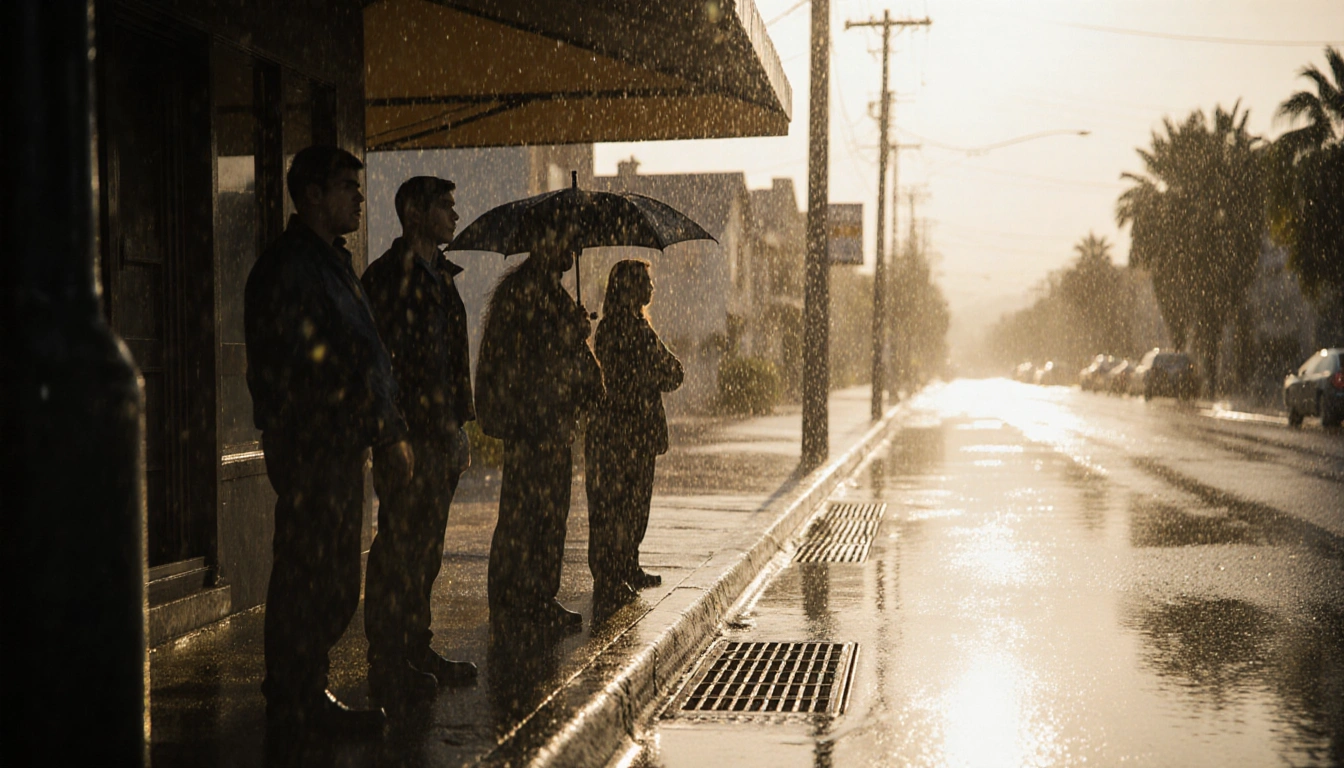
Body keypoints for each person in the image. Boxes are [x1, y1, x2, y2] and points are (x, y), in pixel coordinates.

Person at [244, 146, 412, 735]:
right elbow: (317, 365)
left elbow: (364, 355)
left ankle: (301, 689)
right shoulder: (292, 269)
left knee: (334, 574)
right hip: (313, 446)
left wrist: (386, 429)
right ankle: (295, 697)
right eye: (346, 186)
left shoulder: (333, 264)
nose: (359, 197)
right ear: (311, 195)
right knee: (312, 572)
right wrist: (368, 429)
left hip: (339, 444)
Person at [361, 176, 478, 704]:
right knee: (398, 547)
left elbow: (455, 364)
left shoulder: (443, 277)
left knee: (427, 549)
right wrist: (391, 434)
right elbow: (377, 364)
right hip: (407, 436)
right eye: (444, 207)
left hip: (439, 434)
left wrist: (460, 426)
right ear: (414, 212)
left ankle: (416, 644)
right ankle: (388, 657)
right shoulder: (387, 279)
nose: (454, 215)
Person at [475, 240, 602, 637]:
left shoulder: (549, 289)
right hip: (532, 425)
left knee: (551, 515)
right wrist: (571, 333)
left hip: (552, 425)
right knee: (525, 515)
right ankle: (515, 603)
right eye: (567, 242)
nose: (573, 252)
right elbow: (528, 356)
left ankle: (539, 598)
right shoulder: (525, 291)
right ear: (545, 242)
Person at [585, 260, 683, 609]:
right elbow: (667, 372)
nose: (652, 287)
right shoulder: (623, 329)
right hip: (622, 433)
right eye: (646, 281)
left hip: (635, 433)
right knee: (617, 507)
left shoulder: (637, 327)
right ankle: (610, 577)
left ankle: (628, 566)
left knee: (635, 506)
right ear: (631, 288)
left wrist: (655, 371)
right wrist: (653, 372)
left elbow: (672, 373)